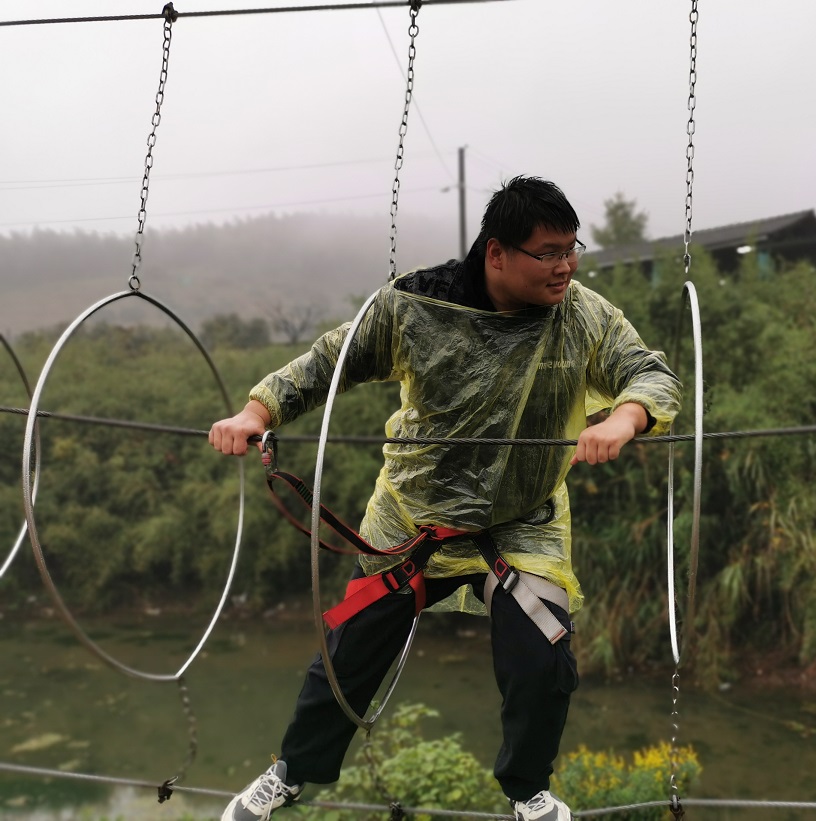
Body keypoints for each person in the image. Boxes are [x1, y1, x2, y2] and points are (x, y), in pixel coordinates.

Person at [209, 176, 682, 821]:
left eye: (571, 249)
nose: (565, 266)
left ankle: (529, 792)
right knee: (349, 653)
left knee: (541, 656)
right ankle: (290, 774)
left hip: (521, 523)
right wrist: (255, 413)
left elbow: (648, 372)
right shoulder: (414, 305)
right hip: (413, 520)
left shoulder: (582, 316)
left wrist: (622, 420)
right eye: (547, 252)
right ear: (497, 253)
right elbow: (327, 363)